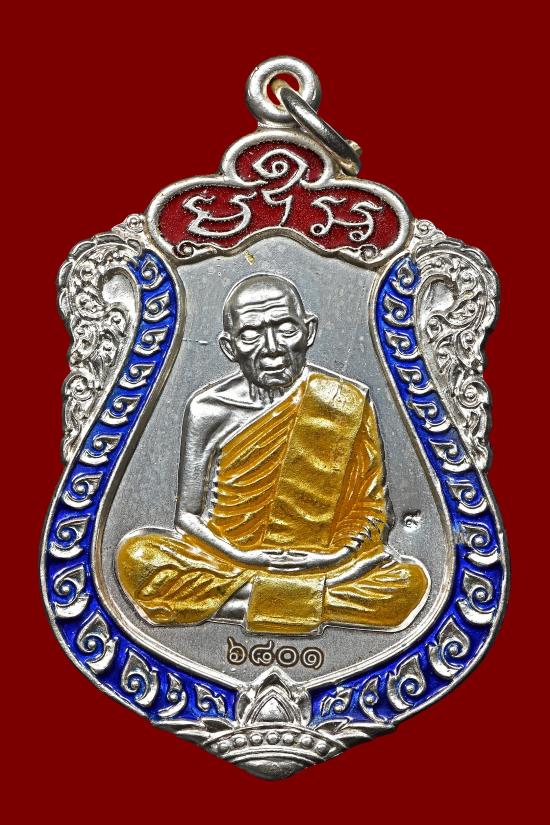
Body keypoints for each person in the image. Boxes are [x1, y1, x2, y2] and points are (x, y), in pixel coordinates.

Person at [116, 273, 429, 634]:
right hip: (229, 561)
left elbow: (371, 509)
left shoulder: (344, 401)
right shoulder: (208, 409)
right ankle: (308, 602)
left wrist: (333, 557)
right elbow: (187, 517)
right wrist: (244, 556)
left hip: (321, 564)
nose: (272, 347)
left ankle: (235, 603)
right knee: (138, 557)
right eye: (251, 333)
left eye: (286, 328)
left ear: (309, 332)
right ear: (229, 347)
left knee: (409, 584)